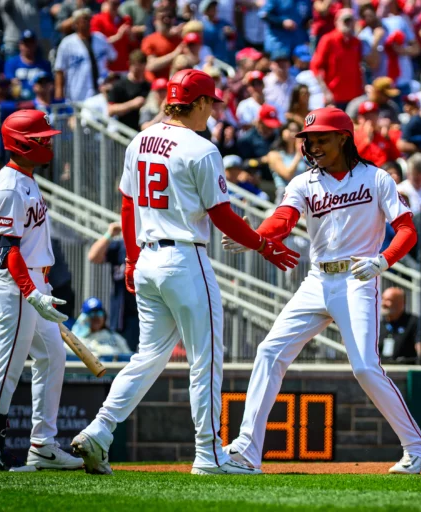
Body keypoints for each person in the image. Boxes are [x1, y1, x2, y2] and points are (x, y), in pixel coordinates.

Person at [71, 70, 298, 476]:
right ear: (196, 103)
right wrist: (262, 244)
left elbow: (126, 206)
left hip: (147, 259)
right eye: (210, 103)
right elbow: (223, 215)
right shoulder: (201, 148)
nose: (212, 111)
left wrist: (131, 258)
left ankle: (99, 429)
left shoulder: (140, 138)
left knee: (148, 356)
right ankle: (209, 455)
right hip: (184, 259)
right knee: (206, 360)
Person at [221, 107, 421, 474]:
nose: (313, 146)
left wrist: (383, 260)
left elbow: (406, 229)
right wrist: (256, 236)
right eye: (309, 140)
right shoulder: (304, 182)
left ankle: (418, 450)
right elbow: (283, 219)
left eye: (321, 138)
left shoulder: (376, 178)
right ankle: (247, 450)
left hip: (358, 278)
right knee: (270, 350)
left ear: (343, 137)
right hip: (317, 279)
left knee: (366, 368)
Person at [0, 110, 84, 472]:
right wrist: (31, 291)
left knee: (53, 357)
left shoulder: (25, 178)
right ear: (23, 143)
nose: (49, 141)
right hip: (17, 285)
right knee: (8, 367)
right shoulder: (9, 185)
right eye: (43, 137)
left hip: (34, 281)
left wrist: (40, 283)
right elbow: (9, 251)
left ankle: (42, 445)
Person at [87, 222, 140, 351]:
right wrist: (109, 234)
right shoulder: (121, 246)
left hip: (147, 310)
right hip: (123, 316)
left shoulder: (150, 244)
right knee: (125, 356)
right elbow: (93, 256)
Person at [54, 8, 117, 103]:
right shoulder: (67, 43)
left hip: (101, 91)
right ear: (75, 24)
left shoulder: (100, 38)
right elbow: (59, 70)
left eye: (88, 19)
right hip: (78, 93)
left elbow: (113, 57)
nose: (87, 22)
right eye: (83, 19)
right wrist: (59, 95)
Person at [311, 8, 364, 110]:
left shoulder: (356, 42)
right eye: (345, 20)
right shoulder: (328, 40)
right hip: (335, 98)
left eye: (351, 20)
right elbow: (316, 67)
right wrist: (326, 92)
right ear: (337, 22)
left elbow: (360, 67)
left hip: (354, 96)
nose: (348, 24)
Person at [379, 287, 421, 365]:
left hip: (404, 371)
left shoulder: (413, 322)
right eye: (383, 299)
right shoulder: (378, 325)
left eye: (388, 300)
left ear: (400, 303)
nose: (383, 303)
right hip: (381, 371)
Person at [107, 49, 151, 131]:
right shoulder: (119, 85)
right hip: (123, 132)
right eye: (136, 67)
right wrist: (132, 104)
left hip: (141, 132)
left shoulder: (148, 86)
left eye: (141, 67)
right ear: (129, 64)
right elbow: (110, 110)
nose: (139, 70)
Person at [3, 30, 52, 101]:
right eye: (26, 43)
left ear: (35, 44)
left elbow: (50, 84)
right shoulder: (11, 63)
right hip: (18, 102)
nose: (28, 47)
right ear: (20, 45)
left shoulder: (44, 64)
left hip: (39, 102)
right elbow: (9, 82)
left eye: (31, 43)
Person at [266, 120, 307, 204]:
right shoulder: (274, 154)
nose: (293, 134)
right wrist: (298, 154)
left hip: (303, 194)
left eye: (296, 131)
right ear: (282, 132)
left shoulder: (303, 155)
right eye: (290, 130)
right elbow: (287, 175)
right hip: (285, 195)